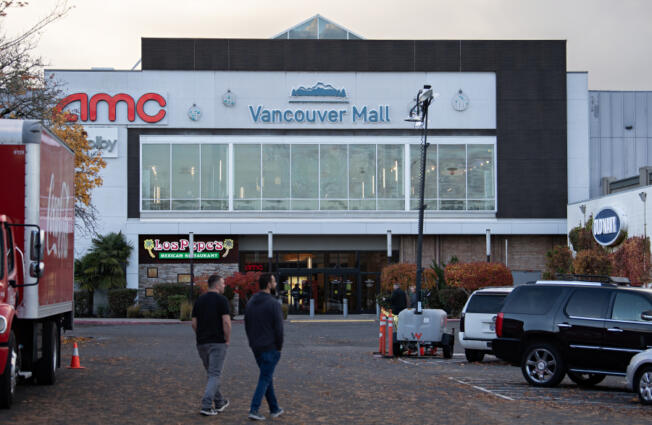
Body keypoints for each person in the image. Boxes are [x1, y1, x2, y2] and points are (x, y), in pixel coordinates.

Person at [245, 273, 285, 421]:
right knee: (265, 379)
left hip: (256, 347)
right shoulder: (274, 303)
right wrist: (279, 347)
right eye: (274, 281)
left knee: (266, 378)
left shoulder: (251, 302)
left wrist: (251, 342)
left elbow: (247, 324)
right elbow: (279, 328)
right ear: (268, 284)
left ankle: (274, 408)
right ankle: (254, 409)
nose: (275, 283)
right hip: (270, 347)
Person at [191, 274, 231, 416]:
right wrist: (227, 339)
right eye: (223, 283)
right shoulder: (222, 300)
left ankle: (220, 402)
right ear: (216, 285)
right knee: (214, 374)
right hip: (217, 342)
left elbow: (194, 323)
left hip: (202, 343)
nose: (224, 285)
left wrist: (201, 335)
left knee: (211, 374)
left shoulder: (199, 300)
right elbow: (226, 322)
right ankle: (206, 405)